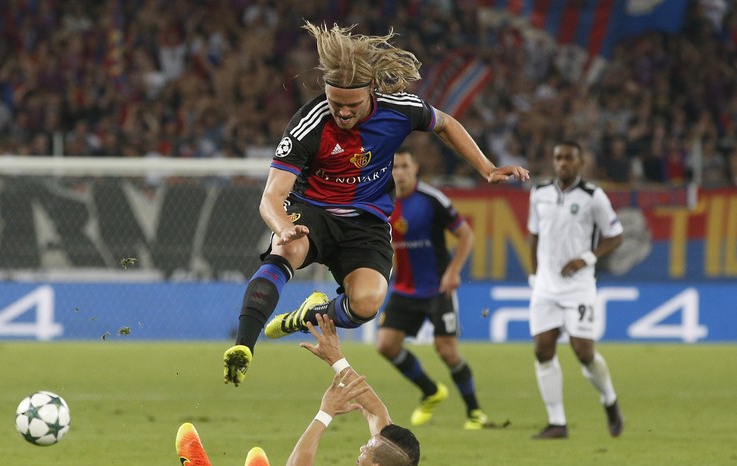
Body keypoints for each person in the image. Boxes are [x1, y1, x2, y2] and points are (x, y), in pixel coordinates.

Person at [223, 22, 530, 386]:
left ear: (371, 90)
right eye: (335, 103)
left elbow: (445, 123)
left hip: (366, 223)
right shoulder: (309, 124)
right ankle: (243, 347)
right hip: (312, 212)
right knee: (288, 249)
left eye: (352, 105)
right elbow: (271, 196)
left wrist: (487, 168)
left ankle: (308, 316)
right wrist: (283, 227)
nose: (343, 112)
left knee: (367, 304)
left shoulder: (399, 109)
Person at [178, 314, 420, 466]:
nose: (361, 448)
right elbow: (375, 411)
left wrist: (325, 412)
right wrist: (336, 358)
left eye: (367, 449)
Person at [376, 148, 488, 429]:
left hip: (438, 287)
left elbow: (466, 235)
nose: (399, 172)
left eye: (404, 166)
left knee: (447, 351)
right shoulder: (382, 201)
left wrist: (453, 271)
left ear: (415, 168)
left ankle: (475, 411)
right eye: (395, 167)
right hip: (404, 289)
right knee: (386, 345)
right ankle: (430, 391)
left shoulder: (432, 200)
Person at [527, 141, 625, 439]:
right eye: (558, 157)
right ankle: (557, 422)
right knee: (543, 350)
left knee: (583, 352)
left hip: (578, 287)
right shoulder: (539, 193)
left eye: (569, 158)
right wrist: (534, 275)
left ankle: (609, 400)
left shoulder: (593, 197)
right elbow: (533, 235)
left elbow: (616, 235)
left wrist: (587, 258)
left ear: (581, 162)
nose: (562, 163)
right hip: (545, 286)